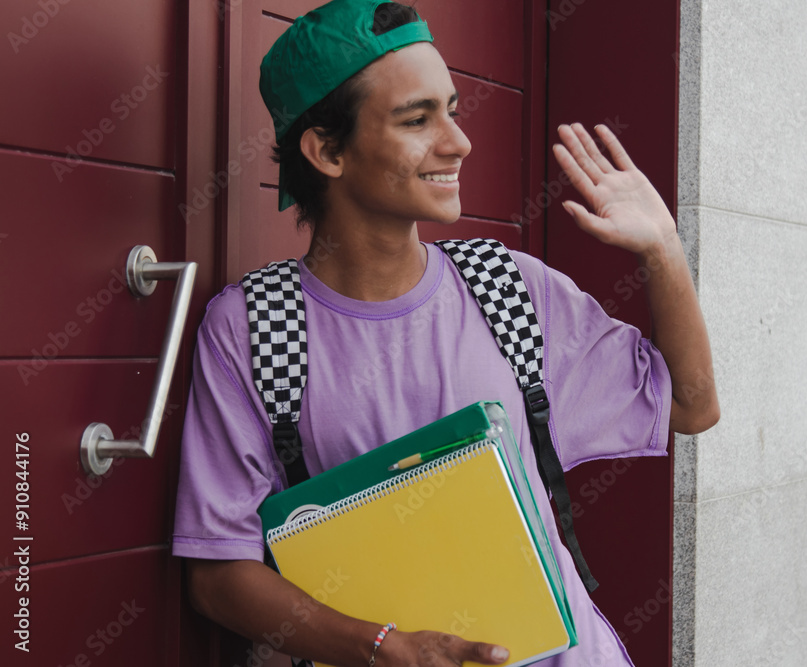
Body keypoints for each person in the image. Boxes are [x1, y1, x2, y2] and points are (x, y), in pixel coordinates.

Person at [171, 1, 719, 666]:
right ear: (327, 149)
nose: (458, 141)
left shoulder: (512, 290)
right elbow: (217, 574)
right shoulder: (253, 329)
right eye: (417, 118)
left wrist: (664, 250)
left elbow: (690, 406)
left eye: (452, 110)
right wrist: (381, 647)